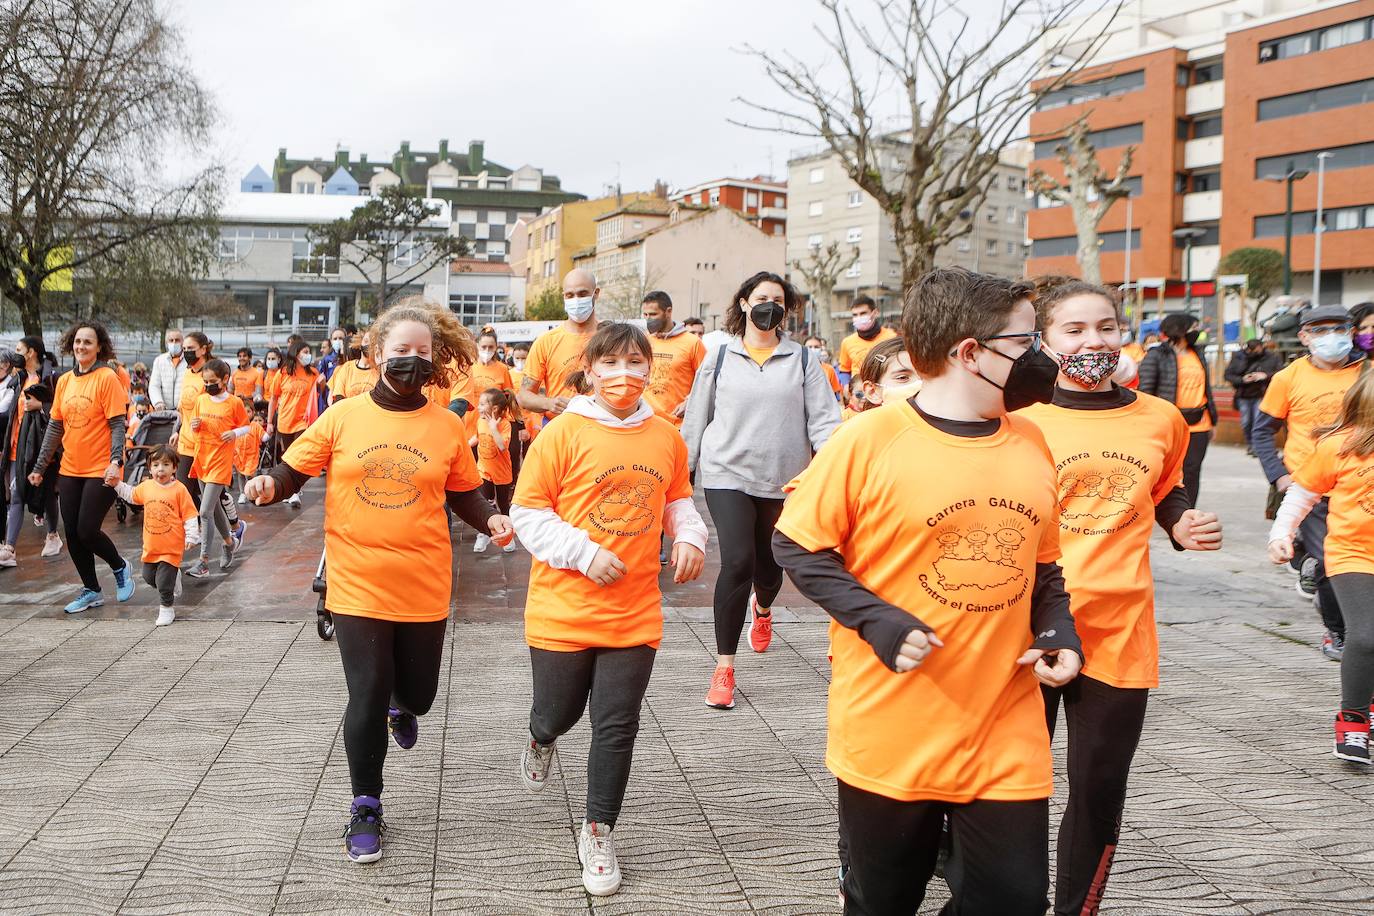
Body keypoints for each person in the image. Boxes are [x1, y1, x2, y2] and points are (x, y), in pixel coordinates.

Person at [773, 267, 1081, 916]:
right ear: (969, 353)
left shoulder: (1032, 441)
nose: (1042, 359)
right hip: (891, 729)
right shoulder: (868, 441)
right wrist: (877, 619)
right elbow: (796, 544)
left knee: (1015, 901)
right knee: (883, 901)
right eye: (1026, 344)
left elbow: (1044, 569)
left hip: (1004, 724)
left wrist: (1059, 632)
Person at [244, 297, 513, 865]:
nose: (412, 360)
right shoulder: (342, 416)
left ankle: (402, 705)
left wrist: (490, 514)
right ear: (374, 355)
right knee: (364, 690)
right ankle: (365, 805)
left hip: (423, 579)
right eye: (400, 351)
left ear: (435, 357)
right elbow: (295, 467)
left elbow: (463, 490)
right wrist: (271, 484)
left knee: (417, 694)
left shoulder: (444, 425)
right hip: (356, 577)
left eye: (422, 352)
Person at [1020, 280, 1223, 915]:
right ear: (1045, 342)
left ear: (1123, 331)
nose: (1093, 342)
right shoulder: (1017, 426)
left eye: (1105, 327)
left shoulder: (1161, 418)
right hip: (1029, 629)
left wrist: (1180, 524)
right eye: (1074, 331)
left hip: (1120, 627)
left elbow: (1168, 489)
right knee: (1011, 789)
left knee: (1098, 788)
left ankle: (1077, 909)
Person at [511, 322, 707, 897]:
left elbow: (676, 499)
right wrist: (583, 552)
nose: (625, 376)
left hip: (635, 609)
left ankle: (598, 831)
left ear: (651, 369)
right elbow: (527, 512)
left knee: (616, 727)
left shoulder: (665, 434)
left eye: (636, 363)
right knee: (559, 713)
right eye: (612, 364)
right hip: (562, 608)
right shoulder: (562, 433)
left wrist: (691, 535)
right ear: (590, 370)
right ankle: (539, 737)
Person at [681, 270, 840, 709]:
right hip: (726, 472)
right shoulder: (719, 358)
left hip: (783, 480)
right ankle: (724, 668)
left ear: (785, 312)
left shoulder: (804, 361)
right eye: (761, 297)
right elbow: (697, 417)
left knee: (770, 570)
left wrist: (830, 469)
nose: (769, 305)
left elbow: (824, 421)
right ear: (745, 303)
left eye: (778, 300)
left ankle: (764, 609)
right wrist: (683, 472)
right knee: (737, 561)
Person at [1269, 370, 1374, 763]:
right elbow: (1302, 494)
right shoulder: (1340, 447)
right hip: (1353, 555)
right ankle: (1353, 718)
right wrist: (1281, 534)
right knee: (1365, 637)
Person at [1253, 304, 1366, 660]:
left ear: (1351, 332)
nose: (1331, 336)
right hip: (1312, 485)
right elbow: (1262, 432)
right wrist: (1279, 475)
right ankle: (1339, 632)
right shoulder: (1288, 378)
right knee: (1330, 561)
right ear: (1304, 337)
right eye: (1320, 330)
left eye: (1339, 328)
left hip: (1358, 483)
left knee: (1351, 563)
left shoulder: (1367, 373)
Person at [28, 321, 137, 612]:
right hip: (70, 468)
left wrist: (117, 461)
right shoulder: (64, 381)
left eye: (88, 342)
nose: (81, 347)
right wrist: (40, 465)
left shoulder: (107, 378)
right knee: (73, 533)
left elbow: (117, 425)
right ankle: (91, 589)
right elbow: (55, 427)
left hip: (102, 468)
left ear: (99, 346)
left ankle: (120, 566)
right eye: (77, 341)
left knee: (88, 530)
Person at [108, 444, 198, 626]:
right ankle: (173, 579)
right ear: (150, 467)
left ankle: (166, 609)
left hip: (171, 547)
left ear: (174, 468)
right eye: (156, 465)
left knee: (164, 582)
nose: (160, 469)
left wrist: (192, 536)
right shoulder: (147, 486)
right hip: (151, 546)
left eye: (165, 464)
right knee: (149, 577)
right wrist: (116, 484)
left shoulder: (179, 490)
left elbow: (190, 515)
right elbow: (131, 495)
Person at [1138, 313, 1216, 507]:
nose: (1196, 332)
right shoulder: (1157, 355)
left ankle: (1188, 510)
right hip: (1170, 422)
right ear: (1179, 330)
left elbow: (1207, 388)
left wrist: (1213, 419)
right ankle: (1159, 507)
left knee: (1192, 469)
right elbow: (1146, 390)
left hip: (1199, 421)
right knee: (1164, 469)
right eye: (1193, 328)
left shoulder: (1198, 353)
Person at [186, 358, 251, 577]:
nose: (208, 385)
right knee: (213, 509)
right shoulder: (201, 400)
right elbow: (196, 425)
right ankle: (228, 541)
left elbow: (246, 426)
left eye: (212, 381)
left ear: (225, 379)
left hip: (220, 462)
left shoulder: (234, 403)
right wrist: (195, 425)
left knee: (204, 511)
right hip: (202, 457)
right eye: (205, 381)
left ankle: (203, 561)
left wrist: (234, 433)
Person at [1, 337, 62, 565]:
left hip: (42, 449)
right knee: (16, 496)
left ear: (31, 353)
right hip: (17, 449)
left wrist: (41, 406)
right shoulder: (19, 379)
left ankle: (53, 535)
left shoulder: (50, 378)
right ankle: (10, 548)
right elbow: (13, 416)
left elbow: (60, 411)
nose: (15, 353)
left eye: (19, 349)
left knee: (46, 495)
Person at [518, 268, 602, 419]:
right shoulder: (546, 341)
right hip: (556, 426)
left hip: (600, 427)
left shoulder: (610, 338)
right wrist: (549, 403)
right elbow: (524, 396)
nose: (576, 300)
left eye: (582, 294)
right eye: (570, 295)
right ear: (564, 297)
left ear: (596, 293)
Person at [266, 340, 321, 508]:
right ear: (296, 354)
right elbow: (274, 398)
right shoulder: (282, 374)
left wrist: (322, 383)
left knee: (299, 454)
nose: (307, 355)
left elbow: (320, 391)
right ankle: (290, 489)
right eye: (304, 352)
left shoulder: (312, 373)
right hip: (284, 421)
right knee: (288, 455)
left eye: (308, 352)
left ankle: (295, 492)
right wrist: (269, 422)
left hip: (303, 422)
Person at [640, 290, 706, 425]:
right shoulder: (645, 341)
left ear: (668, 312)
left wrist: (689, 402)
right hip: (646, 420)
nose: (648, 319)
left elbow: (706, 381)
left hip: (677, 423)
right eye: (645, 315)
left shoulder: (693, 343)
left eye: (653, 314)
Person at [473, 387, 519, 554]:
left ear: (494, 408)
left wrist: (493, 428)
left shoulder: (505, 424)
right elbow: (476, 439)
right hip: (483, 470)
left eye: (482, 404)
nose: (478, 407)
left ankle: (508, 535)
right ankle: (483, 532)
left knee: (503, 505)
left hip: (502, 473)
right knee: (484, 502)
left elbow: (501, 446)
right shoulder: (479, 421)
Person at [1224, 337, 1281, 455]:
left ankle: (1257, 447)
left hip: (1262, 393)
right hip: (1243, 394)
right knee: (1246, 422)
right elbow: (1228, 375)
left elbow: (1281, 372)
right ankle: (1251, 444)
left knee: (1258, 421)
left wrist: (1265, 375)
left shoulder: (1272, 357)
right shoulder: (1239, 357)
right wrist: (1242, 379)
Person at [836, 294, 898, 386]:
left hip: (885, 389)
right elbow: (844, 370)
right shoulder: (847, 342)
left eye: (863, 313)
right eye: (855, 315)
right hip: (859, 393)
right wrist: (846, 386)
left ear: (875, 313)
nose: (859, 317)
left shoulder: (892, 337)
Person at [855, 337, 921, 410]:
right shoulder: (860, 421)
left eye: (928, 377)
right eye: (902, 377)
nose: (921, 385)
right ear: (872, 392)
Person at [327, 332, 380, 403]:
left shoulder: (380, 370)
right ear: (360, 343)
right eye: (366, 341)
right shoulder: (347, 367)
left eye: (372, 342)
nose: (369, 345)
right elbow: (337, 397)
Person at [233, 400, 268, 504]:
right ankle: (242, 493)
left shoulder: (255, 426)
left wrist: (268, 434)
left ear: (252, 413)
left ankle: (251, 492)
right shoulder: (236, 425)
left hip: (251, 456)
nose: (245, 414)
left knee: (250, 475)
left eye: (248, 411)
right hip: (239, 454)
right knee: (240, 474)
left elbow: (263, 436)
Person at [148, 328, 186, 413]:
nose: (174, 343)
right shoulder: (159, 360)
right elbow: (154, 385)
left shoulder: (189, 361)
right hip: (164, 411)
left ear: (183, 342)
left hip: (183, 410)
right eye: (171, 340)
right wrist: (158, 402)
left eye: (177, 340)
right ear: (167, 342)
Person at [804, 335, 843, 401]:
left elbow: (834, 393)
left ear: (821, 349)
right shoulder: (797, 368)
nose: (813, 349)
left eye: (816, 347)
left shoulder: (829, 369)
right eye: (809, 347)